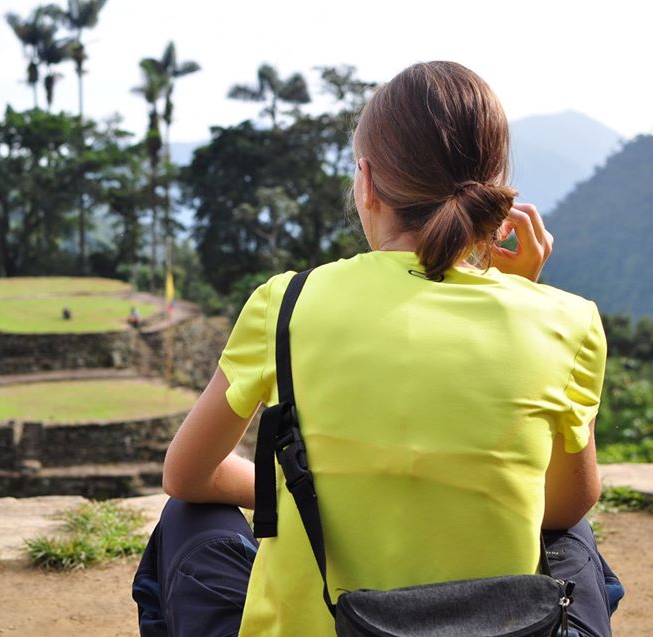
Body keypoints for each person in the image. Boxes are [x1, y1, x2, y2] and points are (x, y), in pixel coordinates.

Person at [132, 61, 623, 637]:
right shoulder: (567, 320)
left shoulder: (286, 304)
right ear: (492, 192)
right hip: (496, 624)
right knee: (575, 543)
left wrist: (301, 487)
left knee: (188, 518)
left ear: (365, 181)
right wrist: (525, 300)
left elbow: (187, 475)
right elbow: (564, 508)